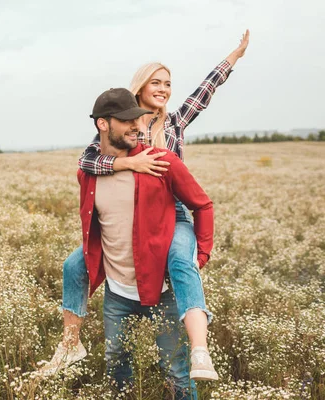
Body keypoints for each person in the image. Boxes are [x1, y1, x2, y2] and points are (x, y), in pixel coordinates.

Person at [40, 30, 249, 380]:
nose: (164, 89)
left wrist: (235, 57)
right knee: (75, 265)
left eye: (168, 83)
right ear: (139, 90)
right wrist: (127, 164)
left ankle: (200, 350)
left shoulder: (175, 121)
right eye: (156, 82)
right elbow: (88, 159)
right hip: (131, 211)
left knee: (183, 261)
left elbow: (206, 91)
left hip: (174, 210)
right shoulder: (123, 124)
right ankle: (70, 342)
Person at [83, 88, 213, 396]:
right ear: (103, 125)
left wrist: (201, 254)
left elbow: (202, 205)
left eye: (137, 120)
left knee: (178, 371)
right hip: (117, 295)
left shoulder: (161, 161)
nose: (137, 127)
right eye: (126, 121)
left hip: (162, 291)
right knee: (116, 365)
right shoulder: (88, 172)